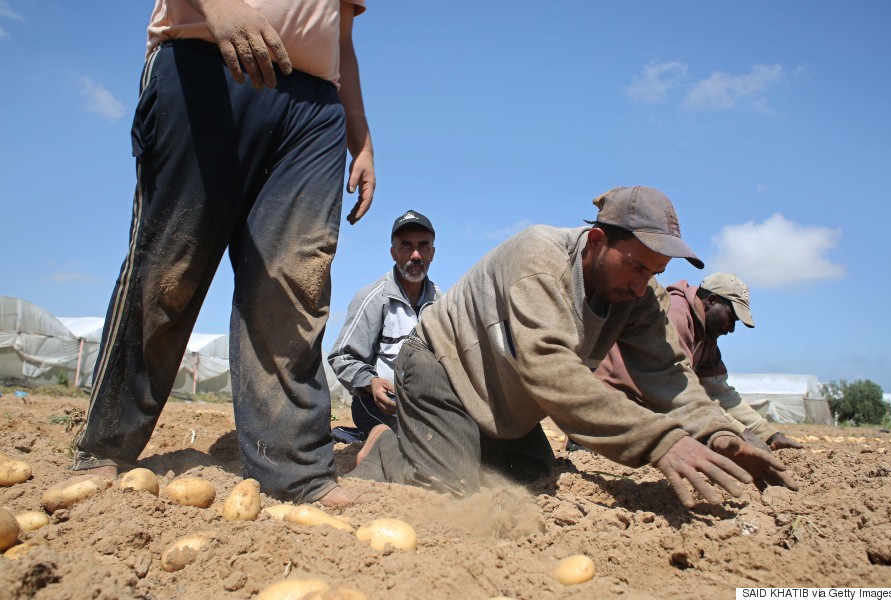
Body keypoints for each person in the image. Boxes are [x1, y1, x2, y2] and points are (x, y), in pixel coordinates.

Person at [71, 0, 376, 507]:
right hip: (207, 62)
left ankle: (294, 469)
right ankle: (107, 446)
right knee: (171, 270)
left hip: (314, 107)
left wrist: (360, 137)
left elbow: (341, 39)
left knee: (294, 280)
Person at [349, 186, 798, 508]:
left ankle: (452, 443)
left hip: (505, 398)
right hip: (439, 368)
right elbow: (549, 369)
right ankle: (389, 446)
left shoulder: (643, 295)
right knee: (449, 492)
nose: (643, 284)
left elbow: (669, 375)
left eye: (655, 272)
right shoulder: (539, 259)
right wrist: (661, 441)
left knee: (535, 479)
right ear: (599, 242)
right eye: (636, 266)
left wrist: (718, 432)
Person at [594, 273, 803, 450]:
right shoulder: (674, 315)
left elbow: (721, 392)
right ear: (711, 301)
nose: (731, 329)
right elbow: (675, 389)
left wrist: (769, 435)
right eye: (731, 318)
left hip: (645, 416)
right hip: (612, 413)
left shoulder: (707, 339)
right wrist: (739, 432)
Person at [328, 210, 441, 443]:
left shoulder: (442, 304)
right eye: (406, 246)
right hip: (381, 404)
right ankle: (362, 437)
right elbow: (341, 356)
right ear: (393, 253)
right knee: (416, 442)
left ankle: (362, 437)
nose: (416, 255)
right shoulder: (373, 298)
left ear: (432, 253)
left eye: (423, 246)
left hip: (428, 406)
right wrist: (371, 383)